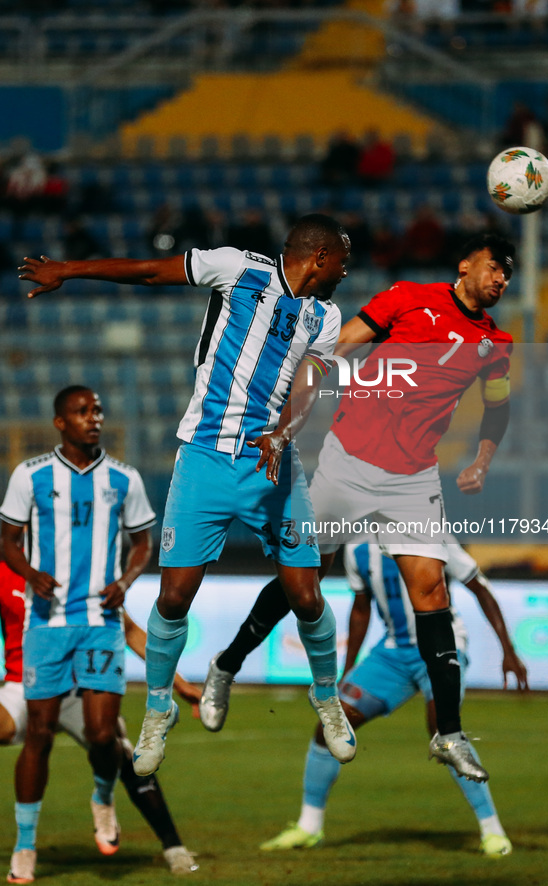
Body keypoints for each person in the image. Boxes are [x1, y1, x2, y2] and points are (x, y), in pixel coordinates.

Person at [17, 214, 356, 777]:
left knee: (307, 593)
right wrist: (69, 271)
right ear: (319, 256)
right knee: (174, 597)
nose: (347, 271)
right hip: (203, 458)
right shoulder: (239, 268)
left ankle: (327, 699)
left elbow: (310, 383)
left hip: (274, 463)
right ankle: (157, 710)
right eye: (343, 259)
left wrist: (282, 433)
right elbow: (152, 272)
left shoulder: (325, 316)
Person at [197, 232, 516, 784]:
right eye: (494, 267)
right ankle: (226, 664)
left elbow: (496, 412)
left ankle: (450, 733)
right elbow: (334, 350)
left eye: (508, 274)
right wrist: (286, 421)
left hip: (414, 477)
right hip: (350, 460)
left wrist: (483, 459)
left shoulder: (499, 345)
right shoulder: (407, 297)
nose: (501, 279)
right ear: (465, 264)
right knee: (304, 576)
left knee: (432, 591)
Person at [259, 539, 528, 857]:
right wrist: (348, 669)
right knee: (330, 726)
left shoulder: (427, 531)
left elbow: (479, 587)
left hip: (444, 644)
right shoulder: (356, 546)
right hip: (393, 654)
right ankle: (309, 827)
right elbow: (361, 608)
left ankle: (493, 832)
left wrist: (508, 651)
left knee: (443, 730)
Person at [0, 386, 157, 884]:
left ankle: (103, 798)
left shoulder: (124, 478)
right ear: (60, 423)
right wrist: (29, 572)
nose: (95, 419)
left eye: (98, 411)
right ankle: (25, 846)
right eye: (83, 412)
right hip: (47, 623)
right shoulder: (29, 476)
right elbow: (7, 539)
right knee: (39, 735)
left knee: (102, 734)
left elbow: (142, 543)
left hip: (101, 624)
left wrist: (126, 582)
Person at [0, 548, 199, 875]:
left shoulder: (76, 570)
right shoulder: (5, 572)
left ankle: (173, 846)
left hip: (82, 690)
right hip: (23, 686)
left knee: (115, 747)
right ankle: (24, 846)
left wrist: (178, 684)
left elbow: (130, 630)